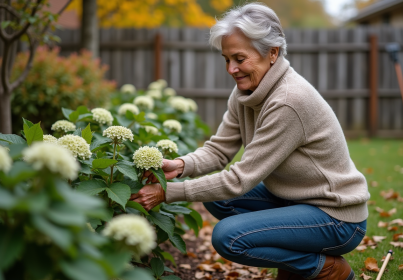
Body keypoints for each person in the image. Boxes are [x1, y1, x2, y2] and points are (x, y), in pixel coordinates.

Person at [130, 3, 370, 280]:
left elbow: (239, 179)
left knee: (229, 238)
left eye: (239, 59)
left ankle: (324, 268)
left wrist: (167, 192)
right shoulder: (247, 91)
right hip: (296, 200)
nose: (232, 69)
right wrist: (181, 165)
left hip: (336, 218)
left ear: (272, 53)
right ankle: (296, 262)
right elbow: (219, 150)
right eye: (226, 59)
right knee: (219, 202)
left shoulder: (288, 101)